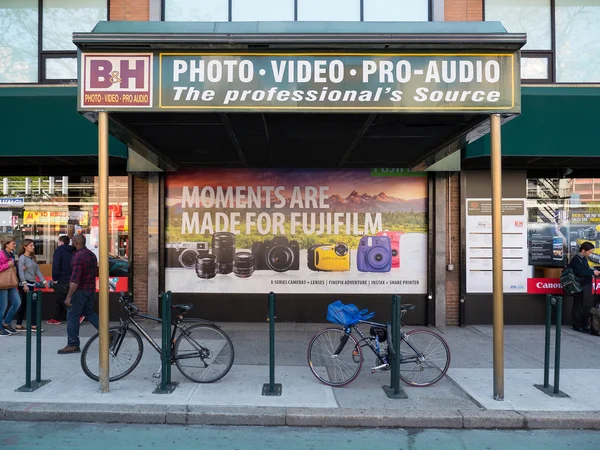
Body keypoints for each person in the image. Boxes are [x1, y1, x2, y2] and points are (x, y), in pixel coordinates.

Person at [58, 234, 99, 354]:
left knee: (72, 315)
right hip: (91, 289)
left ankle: (73, 344)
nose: (71, 244)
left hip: (80, 291)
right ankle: (108, 334)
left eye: (72, 242)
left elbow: (75, 279)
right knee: (89, 312)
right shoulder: (91, 255)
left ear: (76, 243)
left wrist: (69, 297)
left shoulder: (78, 257)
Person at [16, 239, 48, 331]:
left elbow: (37, 271)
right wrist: (24, 284)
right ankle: (33, 325)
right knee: (32, 304)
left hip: (31, 283)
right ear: (25, 246)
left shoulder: (32, 258)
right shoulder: (22, 258)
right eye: (31, 245)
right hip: (25, 284)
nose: (33, 247)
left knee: (24, 304)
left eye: (33, 245)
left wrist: (44, 281)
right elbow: (21, 272)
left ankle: (18, 324)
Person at [569, 242, 600, 333]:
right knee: (578, 306)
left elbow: (585, 270)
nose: (590, 254)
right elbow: (580, 272)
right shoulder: (576, 259)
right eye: (589, 252)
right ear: (583, 250)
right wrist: (592, 273)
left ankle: (584, 324)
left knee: (585, 306)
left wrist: (592, 271)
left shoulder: (583, 258)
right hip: (579, 286)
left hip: (585, 285)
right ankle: (577, 325)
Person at [48, 235, 74, 325]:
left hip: (62, 279)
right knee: (62, 299)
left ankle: (77, 315)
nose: (58, 244)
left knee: (61, 298)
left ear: (61, 242)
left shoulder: (59, 250)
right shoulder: (73, 250)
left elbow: (56, 265)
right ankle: (56, 318)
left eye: (58, 242)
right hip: (72, 279)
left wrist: (55, 278)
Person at [0, 236, 21, 336]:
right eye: (13, 243)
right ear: (7, 244)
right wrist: (7, 264)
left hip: (11, 283)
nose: (15, 245)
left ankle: (6, 323)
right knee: (2, 307)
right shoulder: (1, 254)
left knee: (17, 302)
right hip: (3, 283)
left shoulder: (11, 254)